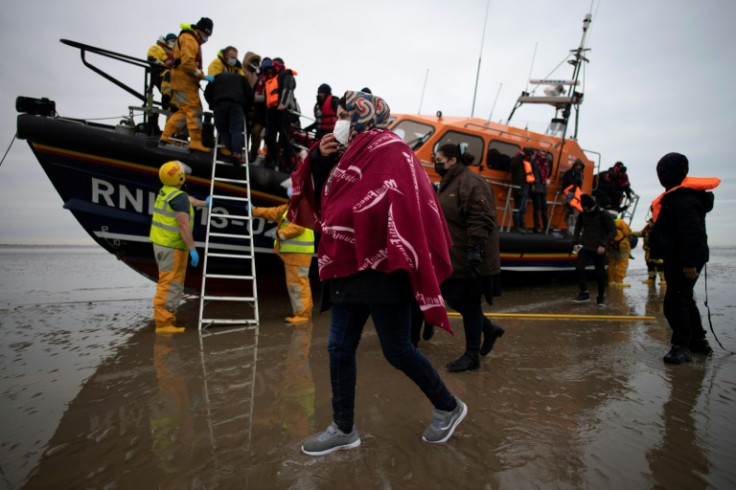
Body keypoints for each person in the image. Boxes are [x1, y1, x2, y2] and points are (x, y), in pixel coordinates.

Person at [288, 91, 467, 455]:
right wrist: (321, 163)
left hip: (384, 265)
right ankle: (343, 428)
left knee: (397, 349)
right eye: (335, 115)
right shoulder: (340, 157)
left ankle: (448, 406)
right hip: (346, 262)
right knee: (338, 347)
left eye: (342, 115)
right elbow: (327, 205)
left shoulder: (392, 150)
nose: (335, 122)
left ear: (361, 116)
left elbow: (401, 202)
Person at [435, 143, 505, 372]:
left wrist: (475, 250)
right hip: (455, 254)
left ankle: (472, 355)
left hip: (472, 255)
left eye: (439, 158)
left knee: (470, 303)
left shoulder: (473, 183)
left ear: (453, 160)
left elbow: (483, 213)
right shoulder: (449, 183)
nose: (436, 163)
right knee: (454, 299)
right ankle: (489, 328)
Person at [650, 152, 720, 364]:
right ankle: (699, 341)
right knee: (685, 298)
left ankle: (681, 346)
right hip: (678, 257)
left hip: (684, 259)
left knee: (674, 302)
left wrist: (690, 262)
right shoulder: (677, 197)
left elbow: (692, 232)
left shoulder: (682, 199)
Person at [149, 161, 209, 333]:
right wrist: (192, 248)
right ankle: (163, 322)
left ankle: (167, 316)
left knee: (168, 282)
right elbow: (183, 224)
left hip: (160, 244)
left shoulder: (166, 192)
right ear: (180, 176)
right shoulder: (179, 197)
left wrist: (204, 203)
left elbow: (189, 200)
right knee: (170, 284)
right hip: (173, 247)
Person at [250, 196, 314, 324]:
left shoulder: (302, 206)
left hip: (298, 253)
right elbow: (274, 212)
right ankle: (305, 311)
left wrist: (278, 234)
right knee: (300, 283)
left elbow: (298, 228)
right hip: (294, 253)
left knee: (297, 285)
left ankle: (302, 315)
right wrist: (254, 210)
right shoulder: (290, 206)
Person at [160, 17, 214, 153]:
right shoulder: (190, 40)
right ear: (199, 30)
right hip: (185, 81)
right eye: (206, 34)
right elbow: (188, 63)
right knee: (194, 109)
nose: (206, 37)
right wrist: (203, 76)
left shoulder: (190, 39)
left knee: (184, 110)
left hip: (182, 80)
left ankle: (165, 136)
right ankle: (195, 141)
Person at [572, 194, 615, 307]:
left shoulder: (603, 214)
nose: (588, 210)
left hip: (599, 248)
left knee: (599, 273)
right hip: (585, 245)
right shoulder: (583, 214)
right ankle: (584, 293)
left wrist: (603, 244)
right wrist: (575, 242)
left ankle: (601, 297)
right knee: (579, 268)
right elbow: (577, 228)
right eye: (585, 209)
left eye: (589, 208)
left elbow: (613, 232)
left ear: (594, 205)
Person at [203, 70, 254, 165]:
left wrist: (212, 105)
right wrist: (246, 110)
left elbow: (207, 93)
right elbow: (250, 95)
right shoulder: (241, 79)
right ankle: (236, 153)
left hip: (219, 104)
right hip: (236, 104)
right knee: (236, 129)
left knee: (222, 130)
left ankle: (232, 151)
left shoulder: (217, 77)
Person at [264, 58, 300, 172]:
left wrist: (283, 104)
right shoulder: (270, 80)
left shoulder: (286, 75)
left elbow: (287, 89)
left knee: (284, 139)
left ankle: (288, 164)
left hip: (284, 111)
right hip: (273, 112)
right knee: (269, 137)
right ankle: (275, 159)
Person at [147, 33, 178, 116]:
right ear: (166, 40)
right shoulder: (157, 48)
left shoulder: (175, 53)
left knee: (175, 105)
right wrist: (164, 66)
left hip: (173, 79)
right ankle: (165, 97)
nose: (174, 43)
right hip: (160, 74)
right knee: (169, 74)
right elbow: (151, 59)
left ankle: (172, 109)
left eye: (175, 42)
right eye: (172, 41)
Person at [606, 209, 633, 288]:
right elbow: (628, 232)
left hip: (610, 247)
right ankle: (619, 281)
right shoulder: (621, 222)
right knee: (622, 264)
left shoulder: (606, 224)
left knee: (611, 264)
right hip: (622, 246)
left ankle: (610, 281)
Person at [508, 150, 531, 233]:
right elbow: (513, 165)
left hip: (525, 187)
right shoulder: (517, 161)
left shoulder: (527, 163)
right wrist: (520, 156)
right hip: (519, 187)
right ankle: (517, 226)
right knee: (518, 208)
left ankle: (522, 225)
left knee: (523, 208)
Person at [637, 218, 665, 285]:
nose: (649, 224)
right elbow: (641, 233)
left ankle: (663, 279)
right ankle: (651, 279)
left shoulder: (661, 229)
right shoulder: (647, 229)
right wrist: (631, 233)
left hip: (658, 250)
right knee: (650, 264)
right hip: (649, 249)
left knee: (660, 264)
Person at [562, 158, 584, 234]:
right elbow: (569, 182)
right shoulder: (569, 173)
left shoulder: (581, 175)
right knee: (568, 211)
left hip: (576, 195)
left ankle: (574, 228)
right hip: (567, 194)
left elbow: (579, 185)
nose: (579, 167)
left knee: (575, 213)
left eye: (580, 166)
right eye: (578, 165)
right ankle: (569, 227)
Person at [529, 149, 549, 233]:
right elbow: (531, 174)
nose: (543, 157)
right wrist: (532, 185)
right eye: (542, 155)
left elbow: (545, 176)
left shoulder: (545, 165)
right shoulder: (534, 163)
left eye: (544, 155)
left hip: (542, 188)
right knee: (537, 208)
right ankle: (537, 226)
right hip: (536, 188)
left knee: (544, 208)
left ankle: (546, 226)